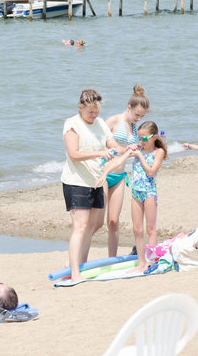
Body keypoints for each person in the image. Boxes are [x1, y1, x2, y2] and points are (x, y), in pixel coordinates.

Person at [61, 89, 124, 282]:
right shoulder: (72, 124)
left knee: (95, 224)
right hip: (76, 181)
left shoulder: (100, 123)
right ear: (81, 108)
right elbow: (74, 154)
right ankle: (76, 273)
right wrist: (100, 153)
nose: (94, 115)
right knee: (80, 226)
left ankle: (80, 263)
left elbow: (112, 143)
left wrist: (126, 149)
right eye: (90, 112)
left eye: (96, 111)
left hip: (96, 180)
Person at [96, 121, 167, 273]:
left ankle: (151, 260)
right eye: (139, 138)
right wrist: (105, 173)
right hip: (136, 192)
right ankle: (141, 262)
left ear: (154, 137)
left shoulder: (158, 152)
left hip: (149, 193)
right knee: (137, 229)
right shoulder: (138, 148)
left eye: (144, 138)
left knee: (151, 229)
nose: (141, 142)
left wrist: (139, 154)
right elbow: (120, 161)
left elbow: (151, 172)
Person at [101, 84, 150, 256]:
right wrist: (125, 150)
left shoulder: (137, 129)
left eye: (142, 116)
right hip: (104, 173)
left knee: (114, 221)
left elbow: (140, 149)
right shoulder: (114, 121)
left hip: (120, 175)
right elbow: (102, 142)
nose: (139, 118)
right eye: (137, 114)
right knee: (98, 222)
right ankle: (75, 256)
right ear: (129, 107)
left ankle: (112, 259)